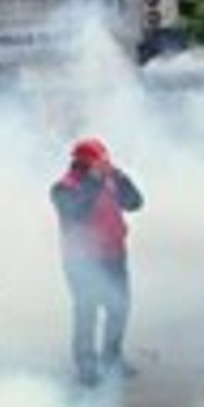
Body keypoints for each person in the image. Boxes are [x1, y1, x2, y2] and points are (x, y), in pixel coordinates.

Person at [50, 138, 144, 386]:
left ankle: (112, 357)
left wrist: (121, 179)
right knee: (86, 311)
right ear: (84, 164)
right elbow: (77, 213)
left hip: (114, 256)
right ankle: (86, 366)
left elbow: (136, 203)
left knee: (119, 307)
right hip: (82, 260)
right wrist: (96, 182)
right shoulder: (63, 188)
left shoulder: (108, 181)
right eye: (100, 162)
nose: (105, 166)